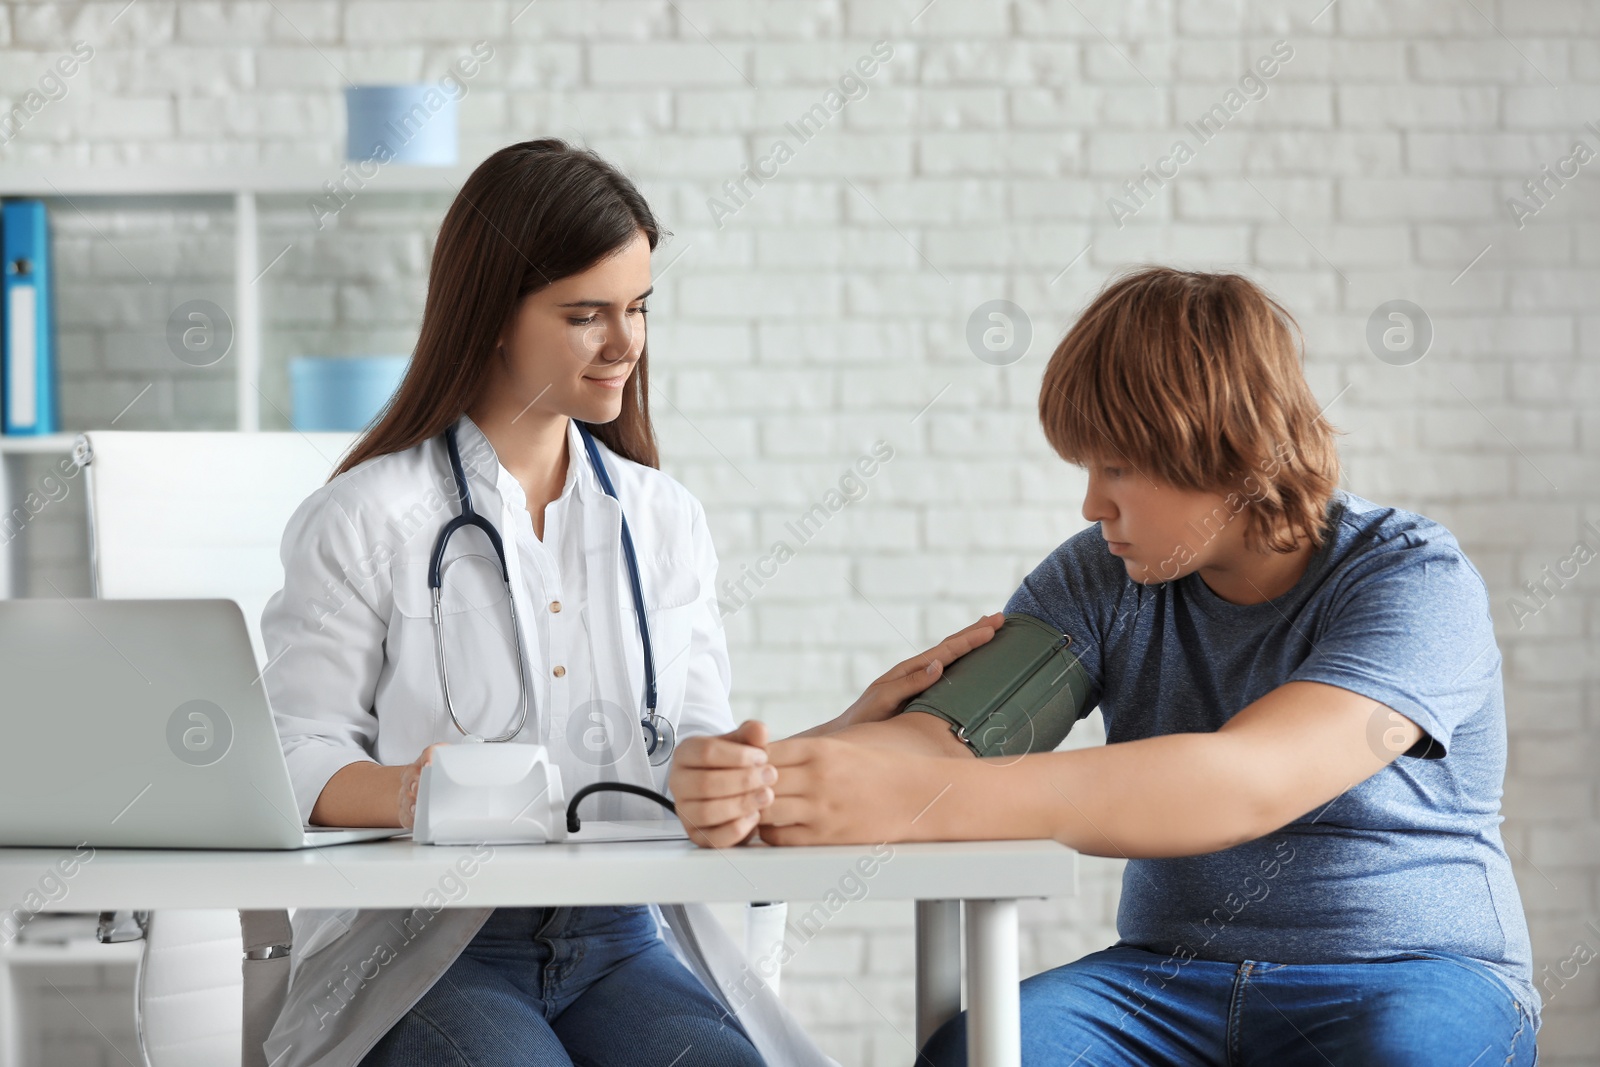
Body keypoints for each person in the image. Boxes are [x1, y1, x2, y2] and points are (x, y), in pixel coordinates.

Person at [672, 267, 1541, 1066]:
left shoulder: (1414, 580)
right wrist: (780, 772)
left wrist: (912, 797)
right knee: (976, 1053)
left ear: (1221, 449)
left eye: (1117, 467)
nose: (1093, 504)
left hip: (1413, 971)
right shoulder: (1103, 573)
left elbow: (1249, 782)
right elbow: (947, 744)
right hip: (1169, 983)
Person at [257, 139, 940, 1067]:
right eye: (587, 315)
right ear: (492, 314)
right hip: (428, 948)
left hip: (624, 941)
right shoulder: (363, 519)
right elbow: (290, 754)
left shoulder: (662, 520)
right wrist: (413, 790)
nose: (626, 344)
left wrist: (740, 769)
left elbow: (684, 744)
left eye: (639, 309)